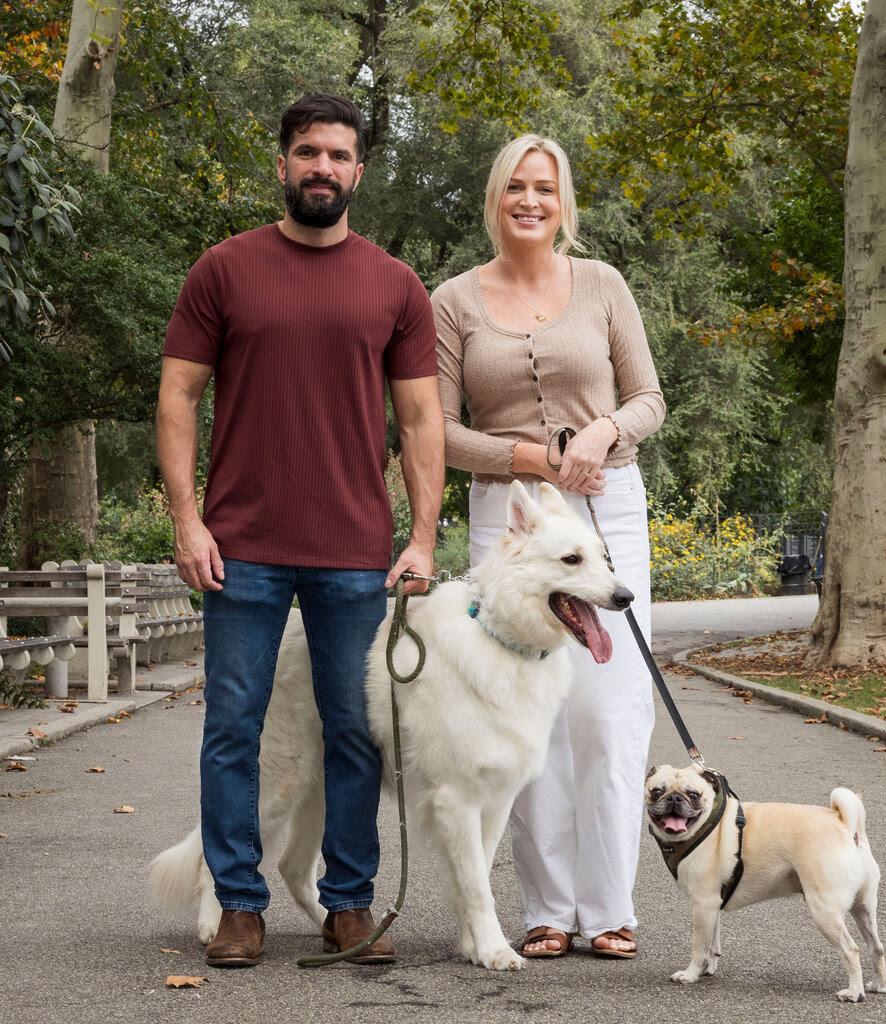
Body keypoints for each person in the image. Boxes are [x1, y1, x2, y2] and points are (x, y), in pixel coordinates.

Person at [156, 93, 444, 968]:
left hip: (356, 547)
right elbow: (177, 395)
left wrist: (423, 536)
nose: (323, 167)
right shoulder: (223, 269)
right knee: (232, 728)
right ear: (282, 164)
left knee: (355, 731)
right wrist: (186, 521)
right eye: (308, 152)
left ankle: (348, 905)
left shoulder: (394, 284)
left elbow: (423, 419)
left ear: (359, 171)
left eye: (339, 155)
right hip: (237, 544)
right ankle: (240, 904)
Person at [431, 135, 665, 960]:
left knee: (607, 706)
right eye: (515, 188)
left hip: (608, 508)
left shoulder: (602, 285)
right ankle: (545, 908)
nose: (530, 201)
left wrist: (602, 431)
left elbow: (648, 398)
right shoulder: (453, 300)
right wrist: (532, 459)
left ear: (564, 203)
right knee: (518, 708)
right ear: (496, 199)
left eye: (546, 189)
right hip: (510, 516)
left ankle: (608, 906)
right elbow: (442, 432)